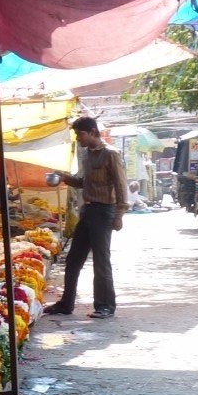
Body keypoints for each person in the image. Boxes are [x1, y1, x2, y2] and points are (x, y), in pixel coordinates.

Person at [46, 116, 126, 320]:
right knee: (73, 259)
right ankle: (66, 303)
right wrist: (64, 178)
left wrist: (120, 215)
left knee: (101, 260)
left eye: (80, 134)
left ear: (92, 132)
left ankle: (105, 305)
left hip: (104, 212)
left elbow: (120, 186)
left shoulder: (111, 154)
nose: (78, 139)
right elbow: (83, 182)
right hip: (88, 211)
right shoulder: (86, 155)